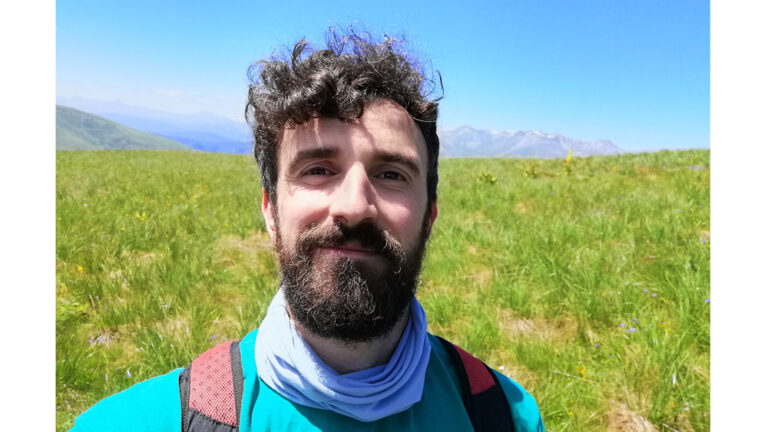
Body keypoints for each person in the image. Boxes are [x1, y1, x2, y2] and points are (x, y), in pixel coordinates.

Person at [71, 30, 545, 431]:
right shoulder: (133, 422)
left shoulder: (505, 415)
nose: (354, 206)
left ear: (430, 215)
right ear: (270, 210)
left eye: (391, 174)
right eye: (317, 170)